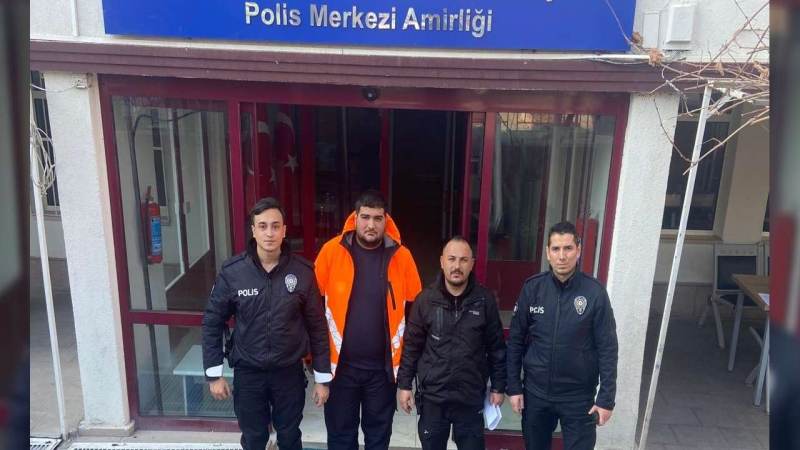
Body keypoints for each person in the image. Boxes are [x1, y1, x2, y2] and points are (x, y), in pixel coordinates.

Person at [202, 197, 331, 450]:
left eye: (275, 226)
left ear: (284, 230)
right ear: (253, 230)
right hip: (248, 373)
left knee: (290, 437)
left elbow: (317, 326)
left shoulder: (303, 272)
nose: (269, 233)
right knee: (254, 439)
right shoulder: (233, 272)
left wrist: (322, 378)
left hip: (289, 373)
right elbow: (212, 322)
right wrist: (214, 374)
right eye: (262, 226)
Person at [314, 189, 423, 450]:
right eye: (365, 217)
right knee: (341, 438)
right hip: (340, 370)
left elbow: (417, 317)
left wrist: (406, 373)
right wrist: (316, 366)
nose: (371, 225)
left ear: (386, 220)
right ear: (355, 218)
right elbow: (312, 311)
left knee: (378, 439)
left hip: (382, 372)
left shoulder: (402, 257)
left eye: (377, 218)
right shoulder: (331, 251)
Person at [506, 221, 618, 450]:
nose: (562, 256)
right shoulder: (533, 289)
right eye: (556, 249)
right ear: (548, 253)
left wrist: (606, 399)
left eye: (568, 248)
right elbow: (515, 340)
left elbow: (607, 348)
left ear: (578, 250)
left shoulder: (595, 293)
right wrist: (514, 387)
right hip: (536, 394)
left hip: (578, 397)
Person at [397, 237, 506, 450]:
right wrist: (404, 385)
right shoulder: (425, 300)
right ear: (442, 261)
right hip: (433, 397)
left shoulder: (484, 300)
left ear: (472, 264)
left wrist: (498, 387)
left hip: (470, 396)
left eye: (463, 260)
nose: (457, 266)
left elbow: (496, 348)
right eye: (452, 259)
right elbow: (411, 347)